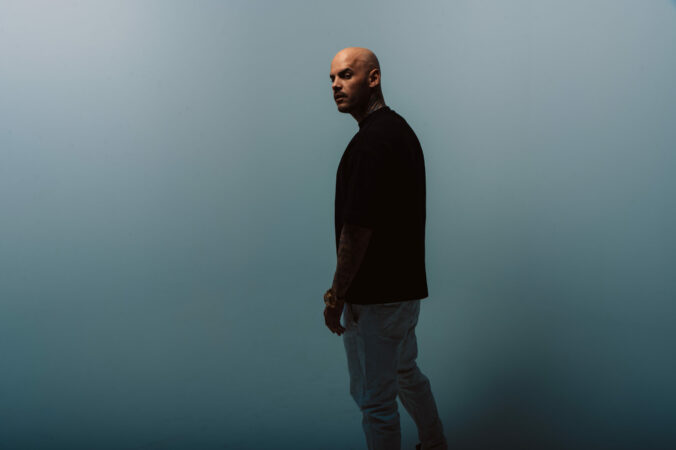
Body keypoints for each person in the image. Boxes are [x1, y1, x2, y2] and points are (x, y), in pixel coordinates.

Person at [323, 47, 448, 450]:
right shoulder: (400, 132)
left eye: (346, 75)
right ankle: (435, 442)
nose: (336, 85)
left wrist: (336, 296)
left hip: (375, 299)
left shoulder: (371, 144)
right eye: (331, 79)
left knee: (375, 400)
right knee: (405, 372)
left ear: (373, 78)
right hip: (403, 294)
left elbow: (357, 230)